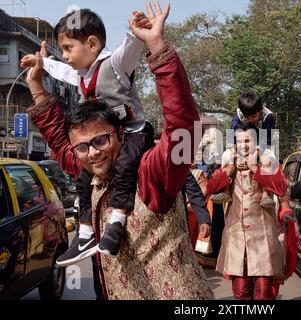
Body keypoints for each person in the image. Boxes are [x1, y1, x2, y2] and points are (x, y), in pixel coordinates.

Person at [24, 1, 214, 300]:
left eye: (101, 141)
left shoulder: (153, 172)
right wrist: (36, 86)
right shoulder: (90, 170)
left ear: (120, 135)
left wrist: (157, 48)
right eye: (83, 147)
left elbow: (184, 133)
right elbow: (62, 144)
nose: (93, 153)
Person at [20, 7, 152, 265]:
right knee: (82, 180)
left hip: (134, 133)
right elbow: (61, 70)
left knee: (125, 166)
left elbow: (130, 50)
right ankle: (85, 234)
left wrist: (139, 34)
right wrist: (42, 64)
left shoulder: (114, 65)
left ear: (92, 43)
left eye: (68, 48)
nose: (65, 56)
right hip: (111, 136)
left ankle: (117, 221)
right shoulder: (81, 75)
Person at [207, 122, 287, 300]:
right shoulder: (230, 162)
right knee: (241, 292)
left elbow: (280, 188)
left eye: (248, 141)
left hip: (263, 236)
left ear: (256, 142)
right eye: (239, 141)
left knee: (263, 291)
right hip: (237, 237)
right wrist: (228, 170)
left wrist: (254, 168)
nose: (243, 146)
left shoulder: (268, 161)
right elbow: (212, 188)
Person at [210, 92, 277, 209]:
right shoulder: (237, 115)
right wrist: (236, 157)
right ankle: (225, 191)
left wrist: (253, 157)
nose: (251, 120)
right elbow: (232, 139)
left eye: (254, 117)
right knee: (226, 155)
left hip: (260, 146)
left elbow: (265, 142)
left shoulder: (269, 117)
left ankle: (266, 195)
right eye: (248, 118)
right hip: (241, 146)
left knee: (269, 156)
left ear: (260, 110)